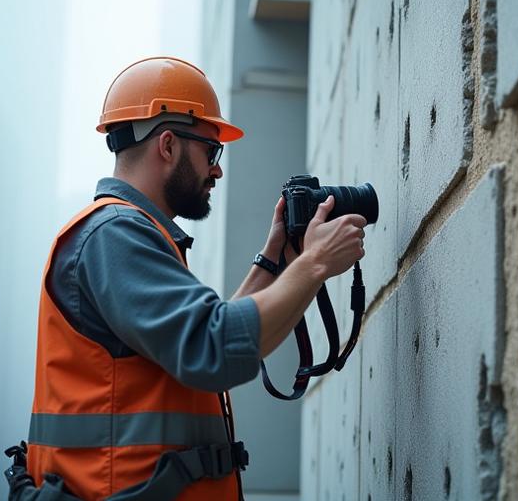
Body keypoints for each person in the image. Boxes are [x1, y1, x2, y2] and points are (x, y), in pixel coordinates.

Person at [20, 57, 366, 501]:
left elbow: (203, 341)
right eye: (210, 151)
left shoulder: (135, 233)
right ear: (167, 145)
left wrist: (276, 259)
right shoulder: (115, 235)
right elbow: (215, 349)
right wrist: (315, 263)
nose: (217, 170)